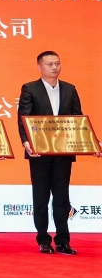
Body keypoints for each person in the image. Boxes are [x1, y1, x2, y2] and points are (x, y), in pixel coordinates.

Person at [17, 51, 101, 255]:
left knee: (62, 197)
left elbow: (78, 120)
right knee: (41, 197)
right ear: (39, 67)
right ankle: (43, 240)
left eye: (57, 63)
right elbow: (23, 118)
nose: (54, 67)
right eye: (49, 64)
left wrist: (92, 143)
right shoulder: (30, 88)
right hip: (39, 153)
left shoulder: (70, 89)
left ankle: (63, 240)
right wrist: (27, 142)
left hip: (63, 151)